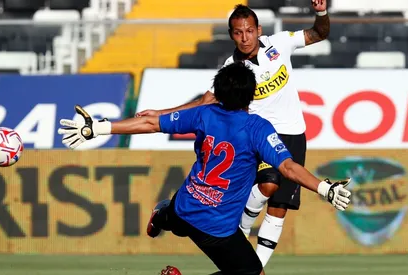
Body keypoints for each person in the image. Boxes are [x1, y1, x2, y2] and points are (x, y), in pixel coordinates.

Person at [58, 62, 351, 275]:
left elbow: (150, 123)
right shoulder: (257, 127)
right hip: (217, 226)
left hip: (185, 208)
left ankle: (162, 216)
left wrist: (98, 127)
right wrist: (325, 188)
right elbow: (288, 167)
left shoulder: (204, 113)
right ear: (252, 95)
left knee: (174, 216)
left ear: (220, 93)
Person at [135, 1, 331, 267]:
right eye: (238, 32)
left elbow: (319, 33)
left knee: (279, 208)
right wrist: (161, 113)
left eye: (249, 31)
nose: (244, 37)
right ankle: (243, 226)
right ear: (231, 34)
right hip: (257, 136)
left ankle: (256, 265)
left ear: (258, 30)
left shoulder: (281, 43)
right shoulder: (232, 68)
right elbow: (204, 102)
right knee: (269, 184)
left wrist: (321, 12)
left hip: (294, 133)